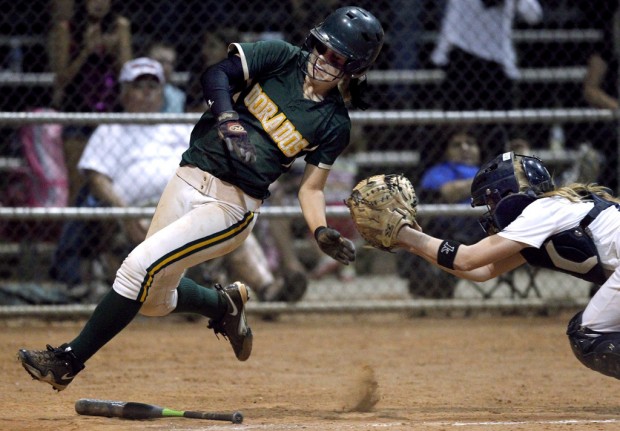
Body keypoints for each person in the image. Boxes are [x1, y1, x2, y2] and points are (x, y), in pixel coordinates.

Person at [17, 6, 384, 391]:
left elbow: (311, 188)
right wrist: (227, 119)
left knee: (137, 268)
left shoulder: (334, 123)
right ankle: (222, 306)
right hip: (189, 174)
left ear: (354, 68)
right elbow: (217, 75)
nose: (325, 60)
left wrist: (320, 230)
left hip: (232, 206)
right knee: (152, 300)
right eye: (323, 48)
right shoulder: (281, 57)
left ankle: (67, 361)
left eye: (338, 58)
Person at [393, 151, 620, 381]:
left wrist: (407, 235)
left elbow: (467, 258)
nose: (491, 210)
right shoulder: (550, 213)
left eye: (491, 200)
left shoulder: (540, 211)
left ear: (509, 193)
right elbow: (481, 271)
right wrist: (416, 246)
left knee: (587, 334)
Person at [48, 57, 192, 301]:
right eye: (138, 86)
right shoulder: (110, 129)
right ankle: (172, 296)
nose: (147, 93)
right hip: (132, 212)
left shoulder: (180, 127)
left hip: (184, 208)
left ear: (162, 92)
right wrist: (125, 213)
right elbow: (96, 178)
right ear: (124, 93)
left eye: (153, 86)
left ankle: (266, 288)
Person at [430, 0, 542, 158]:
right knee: (457, 130)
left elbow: (533, 15)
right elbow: (453, 17)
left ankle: (498, 176)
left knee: (499, 131)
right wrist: (441, 53)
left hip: (497, 63)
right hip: (462, 57)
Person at [47, 0, 133, 202]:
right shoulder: (66, 28)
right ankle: (74, 233)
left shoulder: (120, 26)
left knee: (112, 187)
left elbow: (128, 76)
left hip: (111, 113)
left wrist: (113, 51)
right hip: (77, 111)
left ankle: (109, 233)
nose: (99, 3)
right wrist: (86, 50)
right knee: (77, 186)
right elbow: (61, 78)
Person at [398, 128, 484, 298]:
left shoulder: (483, 169)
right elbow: (448, 192)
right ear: (446, 152)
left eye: (471, 144)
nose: (465, 148)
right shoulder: (439, 172)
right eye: (456, 145)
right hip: (451, 231)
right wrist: (488, 179)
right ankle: (435, 288)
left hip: (484, 230)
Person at [146, 41, 187, 113]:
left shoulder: (179, 97)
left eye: (171, 63)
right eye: (161, 62)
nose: (167, 68)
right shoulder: (136, 94)